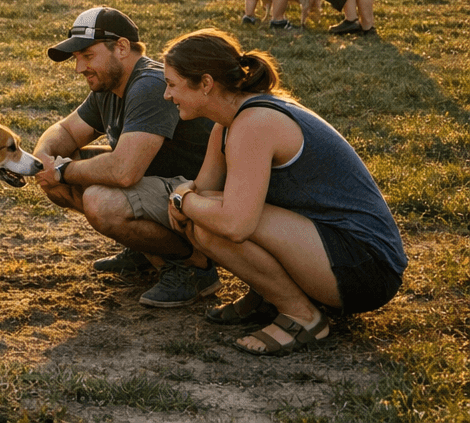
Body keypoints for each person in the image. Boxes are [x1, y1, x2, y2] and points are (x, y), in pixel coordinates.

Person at [162, 29, 406, 355]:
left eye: (172, 84)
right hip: (333, 251)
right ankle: (270, 297)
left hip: (366, 268)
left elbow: (234, 223)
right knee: (206, 214)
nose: (166, 94)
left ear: (205, 83)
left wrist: (183, 199)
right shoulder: (230, 122)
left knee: (212, 221)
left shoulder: (254, 123)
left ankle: (303, 317)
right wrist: (187, 199)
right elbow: (203, 192)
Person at [33, 7, 220, 308]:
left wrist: (62, 171)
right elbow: (66, 131)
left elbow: (124, 172)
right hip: (163, 187)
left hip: (201, 195)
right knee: (60, 170)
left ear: (121, 47)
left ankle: (194, 266)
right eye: (76, 58)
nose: (79, 68)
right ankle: (147, 250)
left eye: (87, 56)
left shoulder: (149, 85)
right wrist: (44, 157)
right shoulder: (109, 84)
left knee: (99, 201)